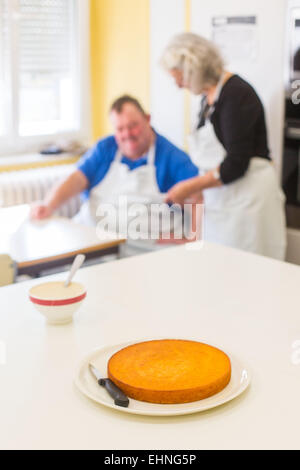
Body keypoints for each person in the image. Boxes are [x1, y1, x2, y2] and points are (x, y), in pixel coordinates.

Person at [160, 32, 287, 260]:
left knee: (251, 275)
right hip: (223, 206)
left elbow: (235, 164)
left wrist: (189, 187)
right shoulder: (207, 100)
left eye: (178, 77)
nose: (178, 85)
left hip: (249, 205)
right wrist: (196, 193)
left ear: (193, 68)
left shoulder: (237, 95)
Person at [31, 95, 199, 254]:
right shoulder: (104, 148)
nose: (127, 134)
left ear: (147, 120)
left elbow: (199, 196)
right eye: (120, 129)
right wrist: (48, 205)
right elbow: (76, 179)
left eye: (133, 126)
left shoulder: (173, 157)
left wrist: (192, 237)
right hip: (95, 244)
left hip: (147, 252)